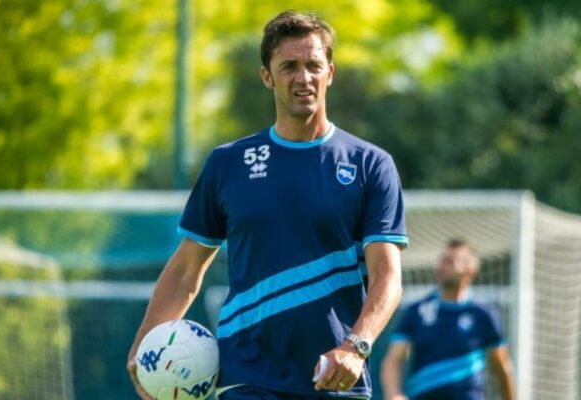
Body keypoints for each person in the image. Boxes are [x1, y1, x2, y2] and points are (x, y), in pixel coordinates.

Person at [127, 10, 409, 400]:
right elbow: (186, 270)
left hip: (336, 376)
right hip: (247, 375)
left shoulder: (370, 165)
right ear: (267, 76)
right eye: (289, 66)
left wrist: (355, 347)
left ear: (330, 72)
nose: (303, 77)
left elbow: (387, 277)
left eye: (313, 65)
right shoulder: (227, 164)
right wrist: (145, 345)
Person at [381, 239, 515, 400]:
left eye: (450, 261)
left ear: (470, 269)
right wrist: (394, 394)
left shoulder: (483, 314)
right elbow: (393, 360)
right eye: (442, 260)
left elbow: (501, 368)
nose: (442, 266)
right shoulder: (415, 311)